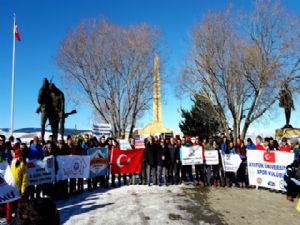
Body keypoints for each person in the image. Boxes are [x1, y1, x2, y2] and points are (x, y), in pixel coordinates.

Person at [6, 149, 27, 223]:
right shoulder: (11, 163)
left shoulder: (22, 165)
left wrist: (22, 190)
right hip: (10, 187)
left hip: (18, 188)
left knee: (20, 205)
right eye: (18, 156)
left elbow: (24, 179)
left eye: (20, 156)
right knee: (9, 204)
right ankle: (8, 219)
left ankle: (21, 218)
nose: (20, 157)